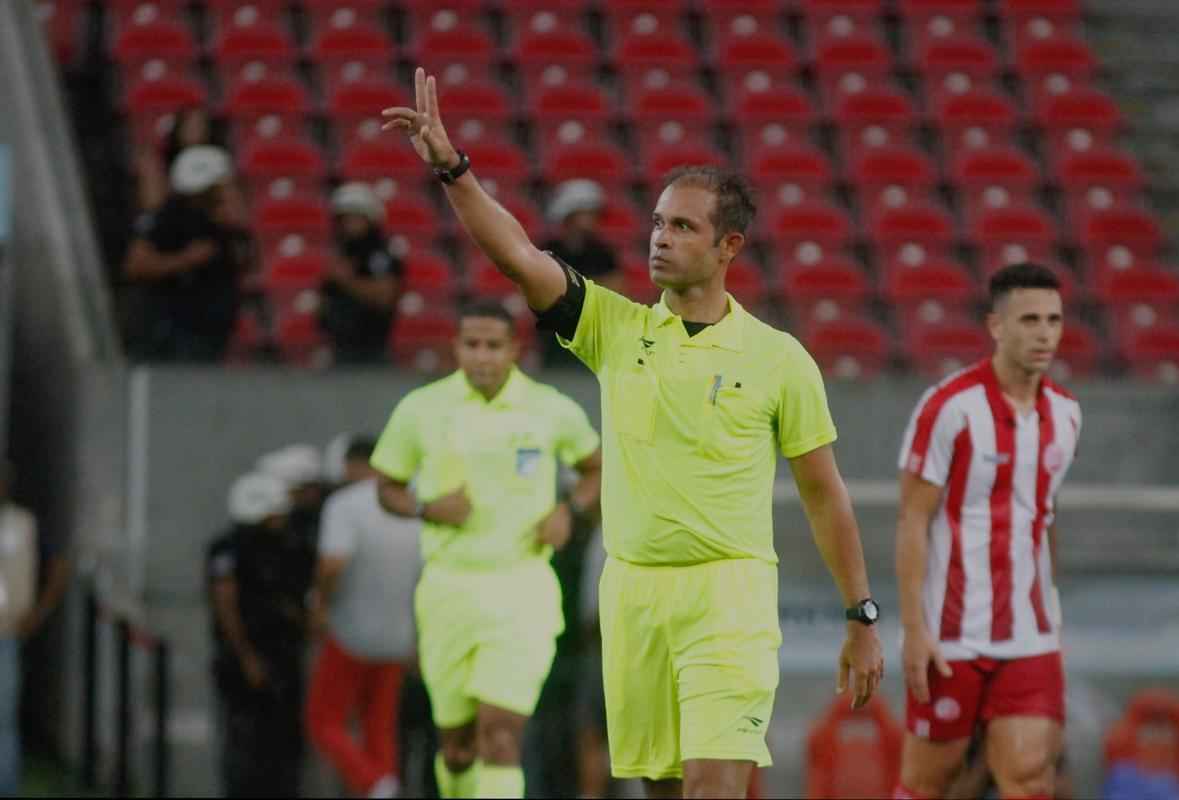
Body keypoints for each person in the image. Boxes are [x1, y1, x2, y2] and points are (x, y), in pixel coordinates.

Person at [381, 67, 885, 799]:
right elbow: (517, 257)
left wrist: (860, 614)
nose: (660, 239)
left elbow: (822, 494)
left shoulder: (778, 359)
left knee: (713, 787)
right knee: (657, 788)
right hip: (633, 591)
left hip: (729, 593)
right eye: (656, 222)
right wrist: (454, 173)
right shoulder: (615, 331)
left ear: (728, 248)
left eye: (682, 227)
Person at [370, 298, 604, 799]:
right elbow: (386, 485)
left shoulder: (550, 408)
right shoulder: (421, 408)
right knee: (456, 745)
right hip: (447, 587)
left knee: (501, 734)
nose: (482, 356)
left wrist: (571, 510)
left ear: (514, 349)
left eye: (493, 345)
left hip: (523, 586)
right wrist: (425, 507)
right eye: (471, 345)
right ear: (455, 347)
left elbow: (597, 468)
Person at [894, 263, 1082, 800]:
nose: (1044, 333)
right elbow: (912, 520)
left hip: (1031, 636)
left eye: (1054, 320)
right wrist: (914, 629)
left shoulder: (1067, 414)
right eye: (1029, 319)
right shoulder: (948, 408)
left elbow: (1043, 515)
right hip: (951, 635)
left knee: (1029, 778)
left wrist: (1052, 609)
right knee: (927, 782)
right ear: (996, 326)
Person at [306, 436, 421, 799]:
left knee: (324, 721)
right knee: (379, 726)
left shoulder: (345, 505)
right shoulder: (413, 503)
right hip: (398, 635)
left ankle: (374, 781)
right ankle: (382, 781)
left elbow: (332, 563)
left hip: (351, 633)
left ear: (353, 465)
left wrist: (321, 604)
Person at [206, 472, 311, 798]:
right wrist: (247, 656)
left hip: (283, 655)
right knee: (246, 745)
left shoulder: (284, 546)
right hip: (247, 658)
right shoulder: (230, 549)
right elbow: (227, 604)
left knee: (285, 746)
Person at [123, 145, 252, 361]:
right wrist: (185, 260)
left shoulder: (226, 226)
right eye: (222, 186)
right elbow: (134, 265)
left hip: (211, 333)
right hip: (171, 333)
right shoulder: (170, 217)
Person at [539, 179, 622, 369]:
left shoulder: (603, 252)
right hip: (554, 336)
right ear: (569, 214)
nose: (591, 219)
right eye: (586, 213)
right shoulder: (549, 249)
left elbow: (613, 293)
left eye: (593, 213)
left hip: (592, 335)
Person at [320, 182, 403, 364]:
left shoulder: (382, 253)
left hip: (373, 349)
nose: (349, 224)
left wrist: (347, 281)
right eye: (345, 219)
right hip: (339, 348)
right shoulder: (341, 251)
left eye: (355, 218)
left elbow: (384, 297)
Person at [134, 106, 216, 214]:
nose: (196, 130)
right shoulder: (162, 159)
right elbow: (153, 202)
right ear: (179, 127)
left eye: (200, 125)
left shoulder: (215, 157)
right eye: (190, 125)